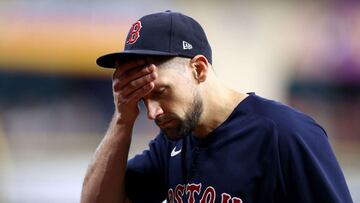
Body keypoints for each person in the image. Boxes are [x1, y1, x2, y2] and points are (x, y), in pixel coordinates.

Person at [80, 11, 353, 203]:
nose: (152, 113)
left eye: (161, 92)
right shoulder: (172, 141)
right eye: (142, 99)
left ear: (198, 69)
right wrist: (122, 121)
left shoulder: (285, 134)